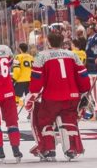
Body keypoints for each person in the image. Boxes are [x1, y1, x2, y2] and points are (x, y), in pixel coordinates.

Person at [29, 27, 86, 160]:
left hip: (51, 96)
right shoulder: (72, 55)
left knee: (44, 120)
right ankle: (71, 149)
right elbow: (82, 75)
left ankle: (49, 149)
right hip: (71, 96)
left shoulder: (41, 55)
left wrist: (33, 93)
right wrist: (84, 91)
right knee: (69, 120)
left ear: (48, 42)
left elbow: (36, 79)